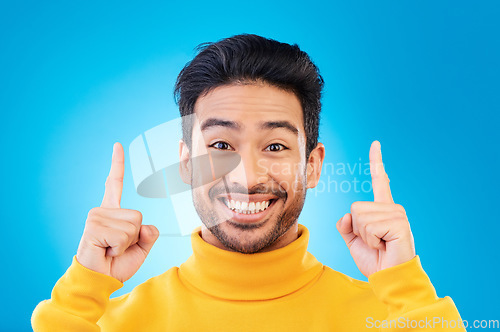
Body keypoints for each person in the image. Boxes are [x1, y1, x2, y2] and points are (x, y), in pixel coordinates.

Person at [32, 33, 465, 331]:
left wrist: (406, 288)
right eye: (220, 144)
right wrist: (83, 289)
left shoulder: (392, 320)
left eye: (275, 147)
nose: (247, 176)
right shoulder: (103, 324)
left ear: (312, 166)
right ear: (186, 165)